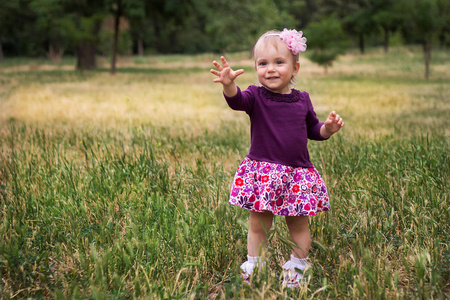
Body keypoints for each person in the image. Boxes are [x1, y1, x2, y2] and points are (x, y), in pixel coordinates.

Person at [210, 29, 344, 287]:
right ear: (256, 68)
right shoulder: (255, 96)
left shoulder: (302, 100)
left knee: (299, 226)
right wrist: (229, 85)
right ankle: (255, 266)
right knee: (258, 224)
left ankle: (296, 269)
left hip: (297, 174)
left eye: (278, 62)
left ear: (295, 68)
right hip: (264, 174)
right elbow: (236, 101)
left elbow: (312, 130)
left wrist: (328, 129)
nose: (270, 69)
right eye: (263, 63)